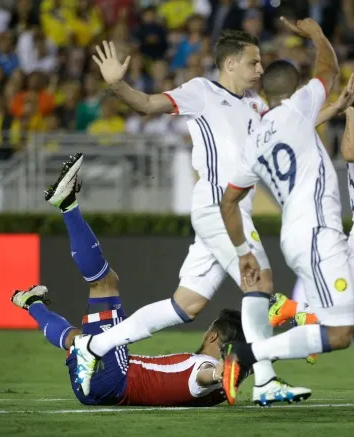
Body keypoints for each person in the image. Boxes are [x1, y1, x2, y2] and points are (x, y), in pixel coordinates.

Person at [218, 17, 354, 428]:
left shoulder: (257, 137)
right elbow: (329, 70)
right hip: (317, 235)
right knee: (339, 335)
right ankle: (248, 354)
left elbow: (229, 200)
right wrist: (318, 34)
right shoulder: (295, 111)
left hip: (309, 233)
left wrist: (242, 252)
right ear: (293, 91)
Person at [68, 31, 311, 405]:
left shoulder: (256, 105)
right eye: (253, 61)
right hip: (216, 206)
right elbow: (148, 105)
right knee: (259, 284)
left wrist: (333, 107)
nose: (260, 69)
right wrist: (117, 84)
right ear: (230, 63)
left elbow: (292, 125)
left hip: (233, 210)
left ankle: (94, 345)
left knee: (185, 306)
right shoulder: (202, 92)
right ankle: (265, 380)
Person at [10, 155, 245, 406]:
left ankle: (67, 204)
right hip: (95, 389)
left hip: (113, 379)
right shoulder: (223, 392)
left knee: (105, 283)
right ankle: (32, 303)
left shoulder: (208, 368)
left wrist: (219, 372)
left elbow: (203, 378)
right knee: (81, 341)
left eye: (210, 327)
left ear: (213, 337)